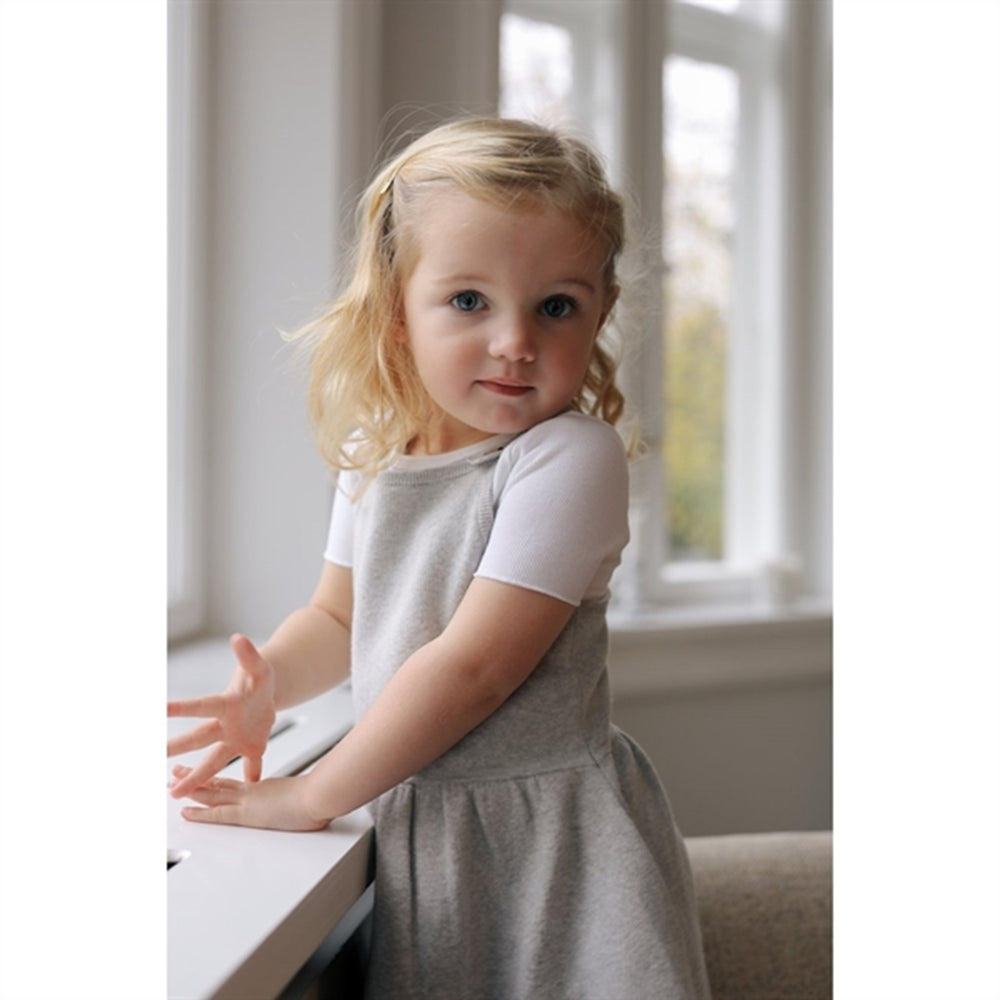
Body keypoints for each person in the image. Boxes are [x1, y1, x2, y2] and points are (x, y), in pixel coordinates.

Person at [168, 117, 711, 1000]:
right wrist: (269, 683)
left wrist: (313, 796)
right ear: (395, 307)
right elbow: (338, 618)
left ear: (602, 312)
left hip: (546, 848)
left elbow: (473, 670)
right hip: (427, 825)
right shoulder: (375, 454)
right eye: (468, 301)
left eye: (557, 306)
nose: (515, 341)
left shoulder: (566, 459)